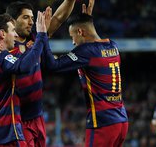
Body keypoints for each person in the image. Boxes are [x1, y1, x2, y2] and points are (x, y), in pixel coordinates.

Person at [0, 0, 95, 147]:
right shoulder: (1, 49)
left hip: (37, 117)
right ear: (12, 22)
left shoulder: (34, 39)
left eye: (31, 17)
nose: (31, 21)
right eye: (26, 17)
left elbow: (58, 18)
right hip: (18, 121)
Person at [41, 12, 129, 147]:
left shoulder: (86, 51)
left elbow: (52, 66)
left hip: (102, 123)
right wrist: (87, 18)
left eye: (72, 36)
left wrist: (43, 35)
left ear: (80, 31)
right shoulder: (113, 46)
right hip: (121, 121)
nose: (73, 42)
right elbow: (94, 46)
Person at [0, 13, 48, 146]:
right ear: (2, 34)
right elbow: (24, 66)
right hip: (8, 133)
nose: (15, 35)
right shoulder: (1, 58)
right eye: (13, 31)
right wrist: (41, 36)